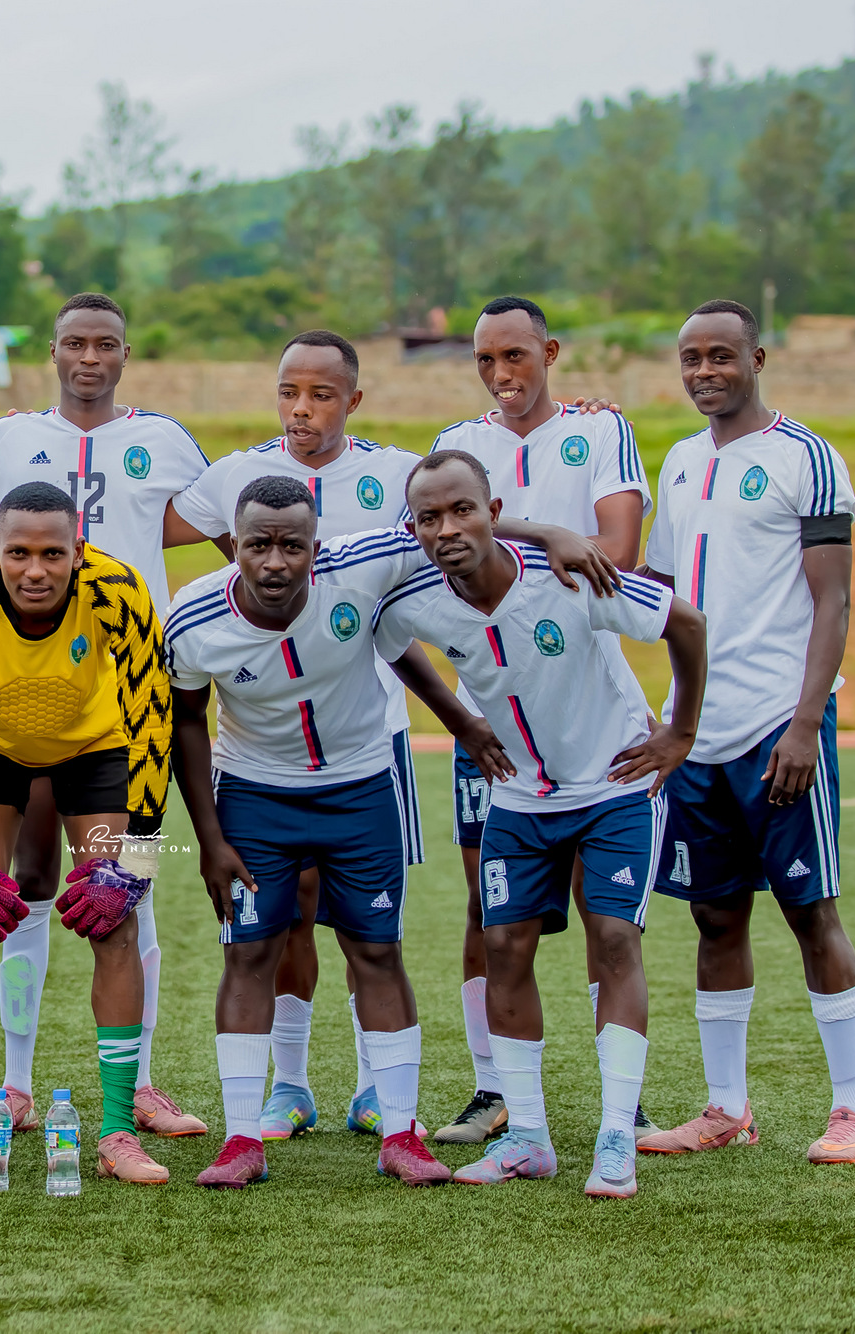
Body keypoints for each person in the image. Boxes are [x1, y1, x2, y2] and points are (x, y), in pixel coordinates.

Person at [373, 451, 707, 1197]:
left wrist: (681, 732)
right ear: (413, 529)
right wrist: (459, 719)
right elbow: (391, 643)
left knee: (614, 939)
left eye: (464, 510)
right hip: (520, 800)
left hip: (614, 786)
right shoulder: (413, 596)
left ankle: (616, 1135)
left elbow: (685, 623)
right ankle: (527, 1137)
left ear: (494, 512)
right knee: (503, 947)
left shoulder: (568, 574)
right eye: (429, 518)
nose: (447, 529)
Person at [168, 476, 499, 1188]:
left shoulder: (365, 563)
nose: (275, 562)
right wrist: (210, 838)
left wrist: (551, 535)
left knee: (377, 951)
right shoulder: (192, 617)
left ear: (318, 548)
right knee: (249, 954)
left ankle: (401, 1135)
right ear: (234, 545)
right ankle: (240, 1140)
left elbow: (455, 533)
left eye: (293, 546)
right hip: (255, 796)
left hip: (360, 789)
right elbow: (185, 722)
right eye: (258, 545)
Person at [0, 291, 211, 1139]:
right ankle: (15, 1084)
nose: (90, 358)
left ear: (125, 354)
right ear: (54, 351)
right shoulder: (6, 440)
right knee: (27, 881)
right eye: (75, 343)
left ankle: (138, 1085)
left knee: (128, 885)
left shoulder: (165, 439)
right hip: (26, 693)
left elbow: (223, 529)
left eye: (106, 344)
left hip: (129, 699)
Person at [636, 299, 855, 1166]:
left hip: (779, 724)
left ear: (757, 359)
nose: (704, 371)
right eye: (690, 358)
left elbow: (833, 601)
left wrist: (806, 723)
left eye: (721, 356)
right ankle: (726, 1108)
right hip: (698, 733)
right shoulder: (678, 461)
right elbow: (658, 589)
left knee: (811, 911)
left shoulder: (805, 457)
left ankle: (851, 1109)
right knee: (714, 916)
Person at [424, 296, 657, 1147]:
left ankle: (620, 1100)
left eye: (515, 356)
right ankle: (494, 1091)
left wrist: (518, 537)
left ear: (549, 352)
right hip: (494, 726)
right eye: (485, 360)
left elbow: (616, 558)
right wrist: (540, 529)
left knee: (609, 919)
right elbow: (433, 546)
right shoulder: (459, 445)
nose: (501, 374)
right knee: (488, 916)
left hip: (587, 711)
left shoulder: (599, 431)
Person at [0, 482, 173, 1189]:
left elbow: (152, 717)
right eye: (18, 553)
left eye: (53, 554)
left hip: (94, 748)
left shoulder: (118, 590)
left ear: (79, 550)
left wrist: (137, 862)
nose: (35, 570)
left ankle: (117, 1130)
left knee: (114, 919)